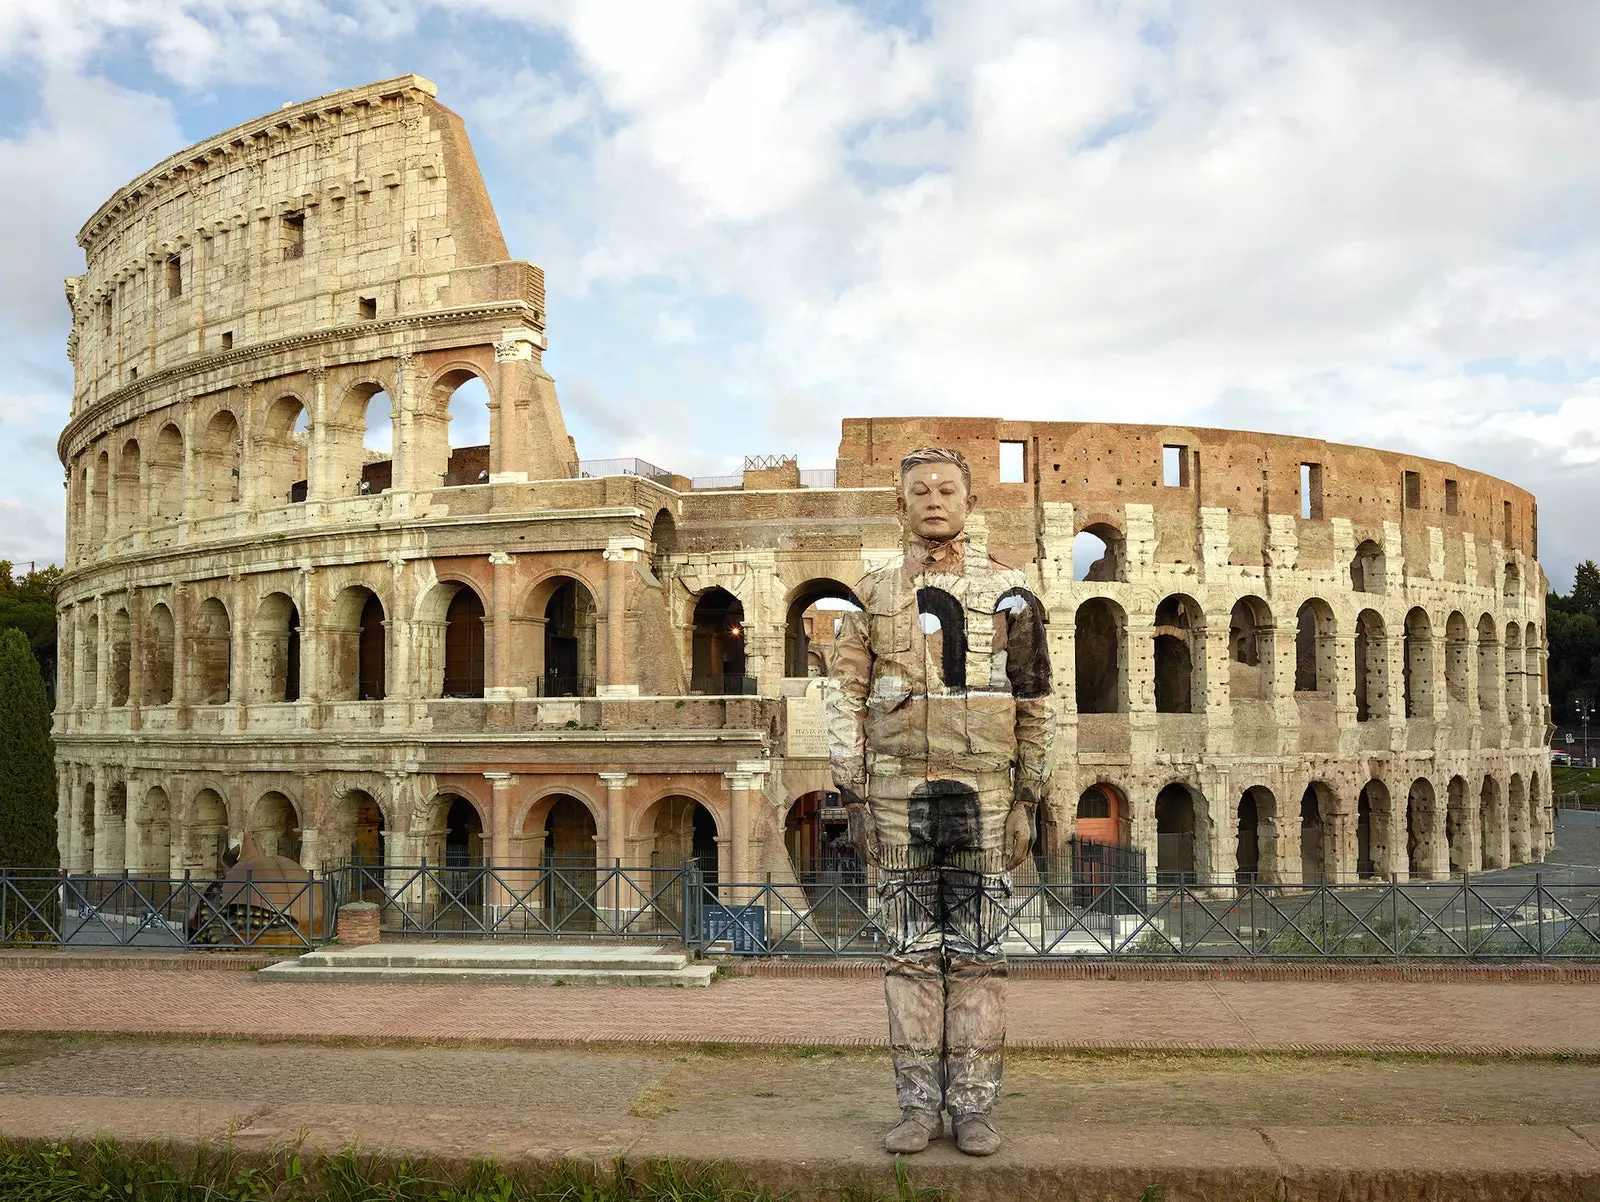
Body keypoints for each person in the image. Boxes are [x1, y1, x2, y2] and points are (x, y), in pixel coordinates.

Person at [826, 445, 1055, 1157]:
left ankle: (976, 1107)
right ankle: (918, 1107)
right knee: (907, 956)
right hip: (896, 795)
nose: (933, 499)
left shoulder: (1013, 590)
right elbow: (845, 697)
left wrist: (1029, 797)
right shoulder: (870, 593)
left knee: (982, 956)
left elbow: (1035, 698)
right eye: (919, 490)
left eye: (946, 489)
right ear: (901, 503)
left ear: (969, 502)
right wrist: (853, 793)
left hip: (986, 791)